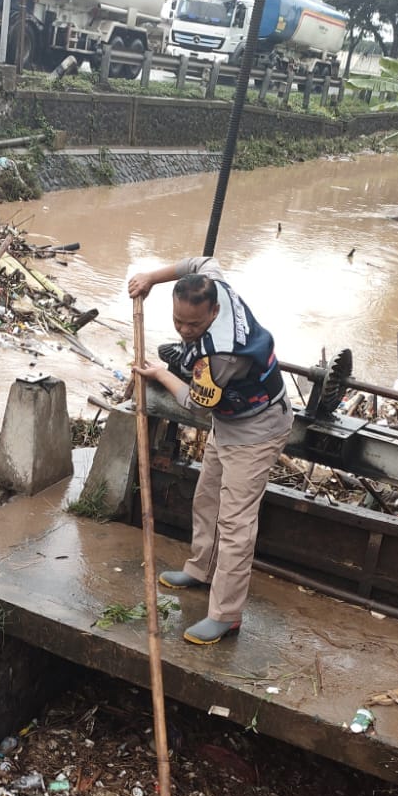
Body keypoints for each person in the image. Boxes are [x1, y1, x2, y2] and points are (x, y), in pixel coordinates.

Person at [129, 256, 292, 646]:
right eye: (178, 322)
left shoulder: (221, 354)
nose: (185, 331)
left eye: (194, 325)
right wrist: (151, 277)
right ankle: (201, 569)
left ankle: (226, 615)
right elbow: (199, 260)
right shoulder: (212, 281)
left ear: (214, 309)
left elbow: (195, 404)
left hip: (256, 430)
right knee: (207, 498)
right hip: (230, 420)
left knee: (235, 525)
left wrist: (161, 373)